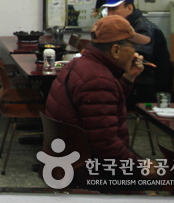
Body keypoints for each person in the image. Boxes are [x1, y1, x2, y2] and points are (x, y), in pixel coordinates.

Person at [45, 15, 154, 183]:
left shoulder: (80, 64)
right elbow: (106, 147)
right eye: (133, 46)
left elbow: (105, 107)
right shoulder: (98, 80)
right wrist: (141, 168)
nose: (135, 53)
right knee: (169, 178)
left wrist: (128, 77)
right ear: (116, 50)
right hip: (85, 170)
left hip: (69, 159)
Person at [102, 0, 171, 104]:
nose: (110, 14)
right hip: (132, 82)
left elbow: (132, 61)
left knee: (101, 95)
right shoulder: (123, 26)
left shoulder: (145, 30)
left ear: (129, 8)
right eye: (108, 10)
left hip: (146, 89)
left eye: (114, 9)